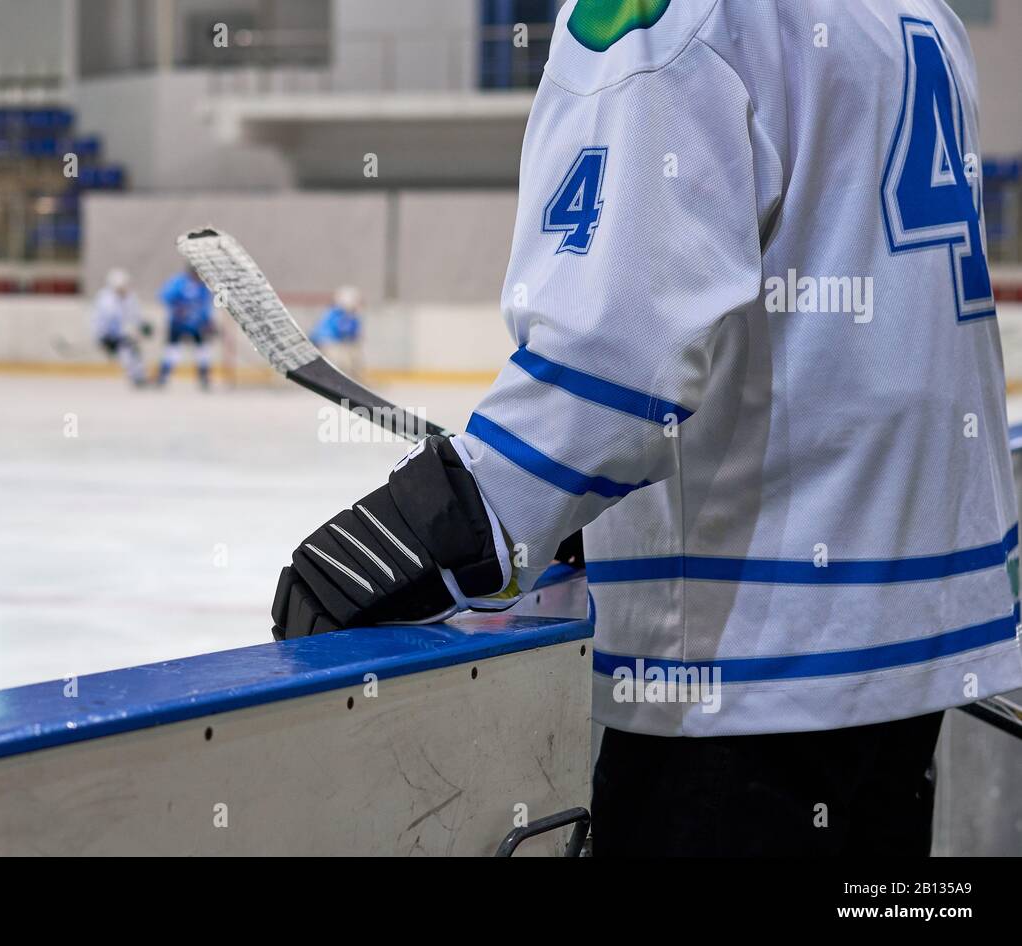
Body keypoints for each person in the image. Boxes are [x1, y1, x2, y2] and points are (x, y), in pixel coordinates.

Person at [268, 0, 1022, 856]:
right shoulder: (916, 10)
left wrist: (443, 524)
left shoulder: (674, 12)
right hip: (910, 647)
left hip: (744, 671)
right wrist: (605, 522)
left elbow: (618, 360)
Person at [157, 265, 214, 390]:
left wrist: (208, 321)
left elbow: (206, 305)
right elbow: (164, 296)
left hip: (196, 324)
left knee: (202, 350)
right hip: (178, 323)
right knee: (173, 351)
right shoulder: (179, 282)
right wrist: (177, 307)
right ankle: (163, 376)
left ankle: (204, 377)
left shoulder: (203, 286)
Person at [92, 268, 150, 387]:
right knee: (126, 353)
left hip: (121, 333)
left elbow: (135, 314)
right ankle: (135, 376)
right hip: (108, 334)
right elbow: (102, 320)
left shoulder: (130, 297)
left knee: (134, 351)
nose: (125, 288)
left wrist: (142, 324)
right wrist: (103, 337)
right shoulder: (105, 299)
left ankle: (139, 376)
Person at [310, 286, 363, 378]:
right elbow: (342, 331)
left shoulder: (344, 314)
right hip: (327, 342)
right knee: (340, 359)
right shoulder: (337, 313)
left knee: (350, 356)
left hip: (330, 341)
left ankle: (350, 378)